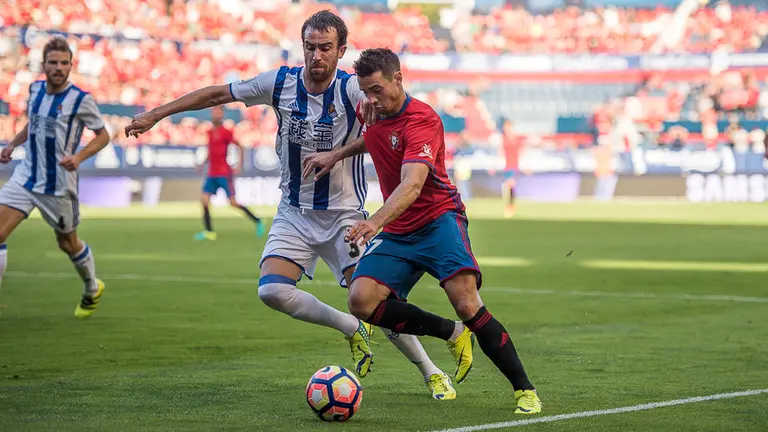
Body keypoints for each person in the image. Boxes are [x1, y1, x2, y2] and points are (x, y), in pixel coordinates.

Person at [125, 11, 456, 400]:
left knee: (378, 301)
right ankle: (350, 328)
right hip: (294, 213)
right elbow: (217, 93)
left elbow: (386, 113)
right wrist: (156, 114)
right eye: (310, 47)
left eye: (326, 48)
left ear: (341, 50)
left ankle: (430, 371)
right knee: (272, 292)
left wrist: (370, 117)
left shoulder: (352, 90)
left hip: (343, 217)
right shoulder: (279, 83)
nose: (317, 55)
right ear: (302, 47)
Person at [339, 48, 542, 414]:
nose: (370, 99)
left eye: (376, 90)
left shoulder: (422, 120)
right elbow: (373, 138)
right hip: (398, 229)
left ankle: (524, 389)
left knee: (466, 302)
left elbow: (413, 185)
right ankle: (453, 334)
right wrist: (335, 155)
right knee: (361, 301)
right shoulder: (371, 110)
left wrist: (373, 222)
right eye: (365, 91)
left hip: (438, 219)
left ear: (397, 79)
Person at [0, 36, 110, 318]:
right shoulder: (35, 89)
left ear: (71, 66)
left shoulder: (81, 100)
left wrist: (79, 157)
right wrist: (13, 144)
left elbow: (103, 135)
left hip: (59, 184)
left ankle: (90, 287)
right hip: (26, 176)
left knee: (67, 243)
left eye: (64, 63)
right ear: (44, 65)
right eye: (53, 63)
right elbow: (33, 124)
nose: (58, 68)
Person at [194, 105, 264, 241]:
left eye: (218, 112)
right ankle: (209, 232)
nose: (216, 114)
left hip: (224, 173)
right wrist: (202, 164)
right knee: (204, 200)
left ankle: (257, 220)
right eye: (214, 112)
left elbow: (240, 146)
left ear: (222, 115)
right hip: (211, 173)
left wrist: (239, 164)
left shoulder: (226, 132)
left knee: (233, 202)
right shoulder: (209, 131)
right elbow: (211, 151)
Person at [500, 118, 522, 218]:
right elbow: (500, 152)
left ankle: (510, 206)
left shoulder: (516, 139)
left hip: (514, 165)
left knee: (510, 185)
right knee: (508, 186)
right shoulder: (503, 138)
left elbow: (521, 152)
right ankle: (509, 206)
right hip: (506, 165)